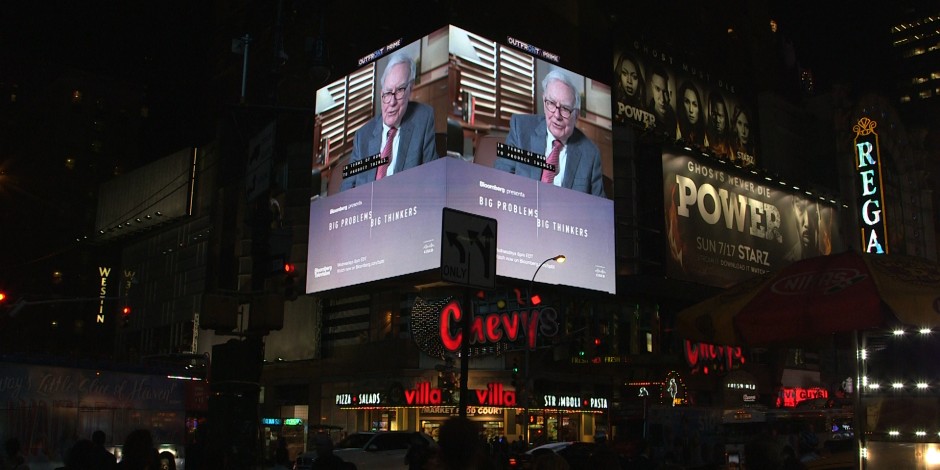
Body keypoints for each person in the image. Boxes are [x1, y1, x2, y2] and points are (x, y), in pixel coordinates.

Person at [495, 70, 606, 197]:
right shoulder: (520, 128)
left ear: (576, 115)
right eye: (551, 103)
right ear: (544, 101)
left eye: (565, 109)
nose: (557, 115)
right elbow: (500, 179)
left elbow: (598, 205)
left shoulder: (591, 154)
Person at [340, 52, 438, 191]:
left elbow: (433, 178)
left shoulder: (423, 118)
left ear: (410, 90)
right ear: (381, 94)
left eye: (399, 91)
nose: (391, 102)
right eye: (387, 93)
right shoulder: (362, 136)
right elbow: (347, 188)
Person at [613, 52, 647, 124]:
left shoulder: (645, 110)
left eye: (634, 77)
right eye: (624, 73)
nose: (629, 81)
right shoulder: (613, 101)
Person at [647, 64, 677, 136]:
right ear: (652, 87)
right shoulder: (645, 116)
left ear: (670, 94)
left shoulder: (676, 122)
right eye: (657, 89)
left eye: (665, 92)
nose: (662, 99)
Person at [676, 81, 705, 147]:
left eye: (695, 104)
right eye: (687, 102)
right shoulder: (677, 128)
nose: (691, 110)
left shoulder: (704, 136)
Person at [704, 91, 731, 157]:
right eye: (714, 114)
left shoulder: (731, 146)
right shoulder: (704, 138)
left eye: (720, 116)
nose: (717, 120)